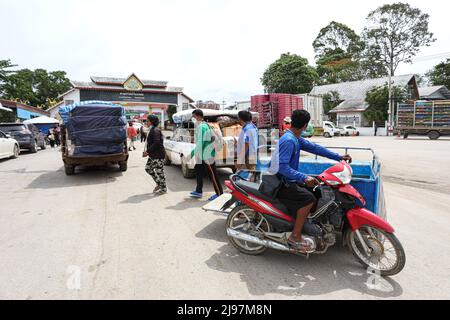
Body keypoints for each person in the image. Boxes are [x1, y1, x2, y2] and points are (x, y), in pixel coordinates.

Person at [270, 109, 352, 252]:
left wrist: (338, 157)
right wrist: (304, 177)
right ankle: (294, 236)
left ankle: (304, 225)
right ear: (305, 125)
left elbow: (315, 148)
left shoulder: (295, 137)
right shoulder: (289, 140)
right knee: (308, 199)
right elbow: (281, 167)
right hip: (282, 183)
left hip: (289, 180)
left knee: (317, 191)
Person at [189, 109, 223, 201]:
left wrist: (192, 153)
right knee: (198, 170)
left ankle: (219, 193)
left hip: (206, 155)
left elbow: (201, 142)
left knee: (213, 175)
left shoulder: (202, 127)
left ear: (198, 116)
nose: (193, 119)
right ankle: (198, 191)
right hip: (202, 154)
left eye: (194, 117)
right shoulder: (204, 125)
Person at [143, 115, 167, 194]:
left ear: (152, 121)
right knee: (148, 168)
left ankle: (163, 189)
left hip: (158, 155)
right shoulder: (152, 129)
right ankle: (159, 183)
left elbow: (156, 142)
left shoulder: (156, 130)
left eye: (147, 120)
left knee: (159, 171)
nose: (146, 122)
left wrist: (147, 151)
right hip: (153, 155)